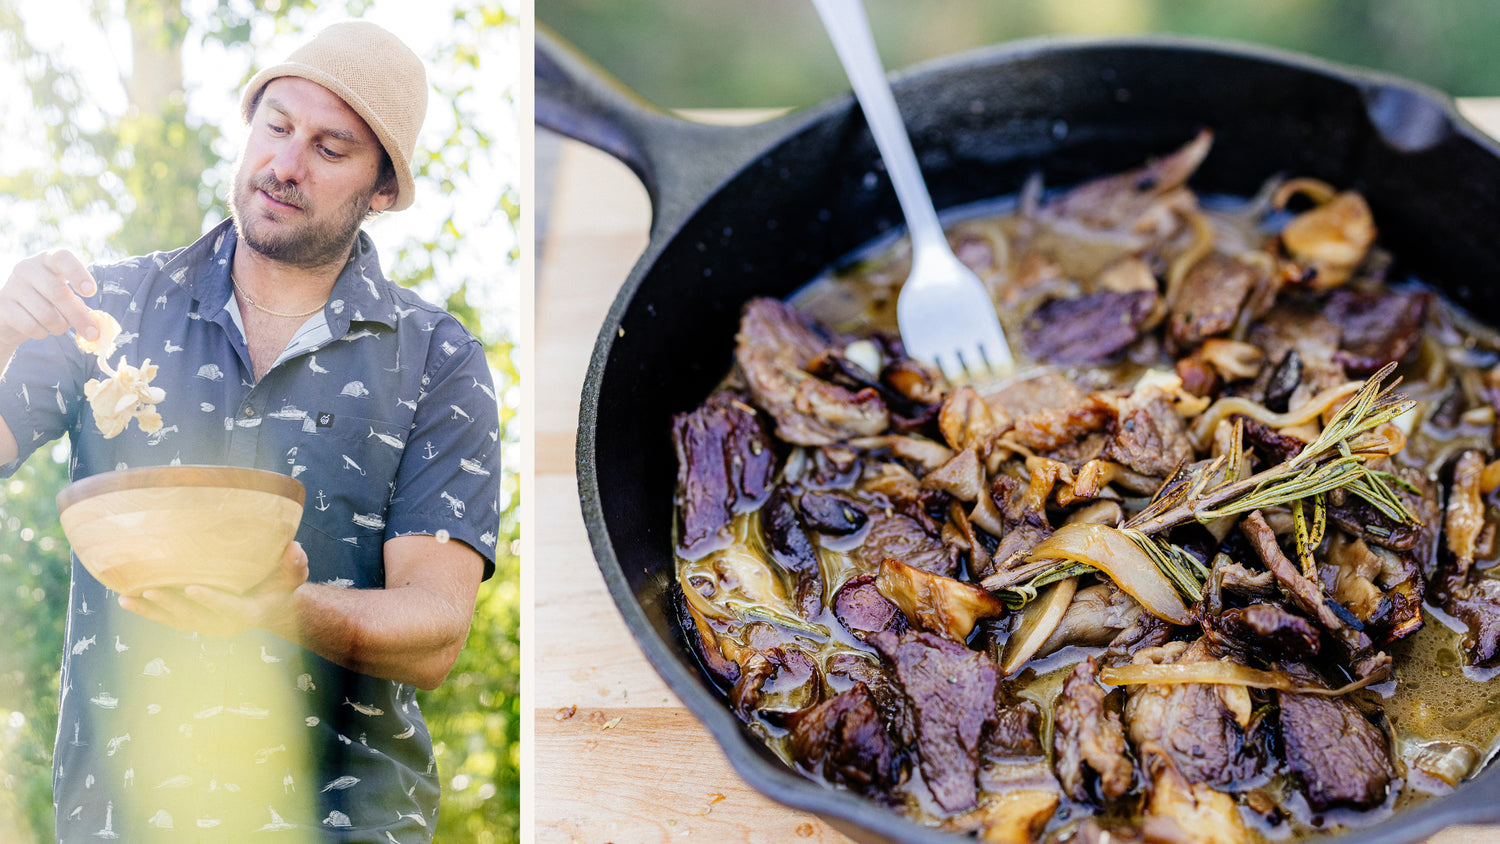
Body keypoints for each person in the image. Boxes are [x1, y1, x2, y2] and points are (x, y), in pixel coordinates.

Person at [0, 20, 500, 842]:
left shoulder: (437, 359)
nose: (286, 165)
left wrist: (280, 608)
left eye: (331, 148)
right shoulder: (105, 309)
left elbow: (435, 630)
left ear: (381, 189)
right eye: (276, 126)